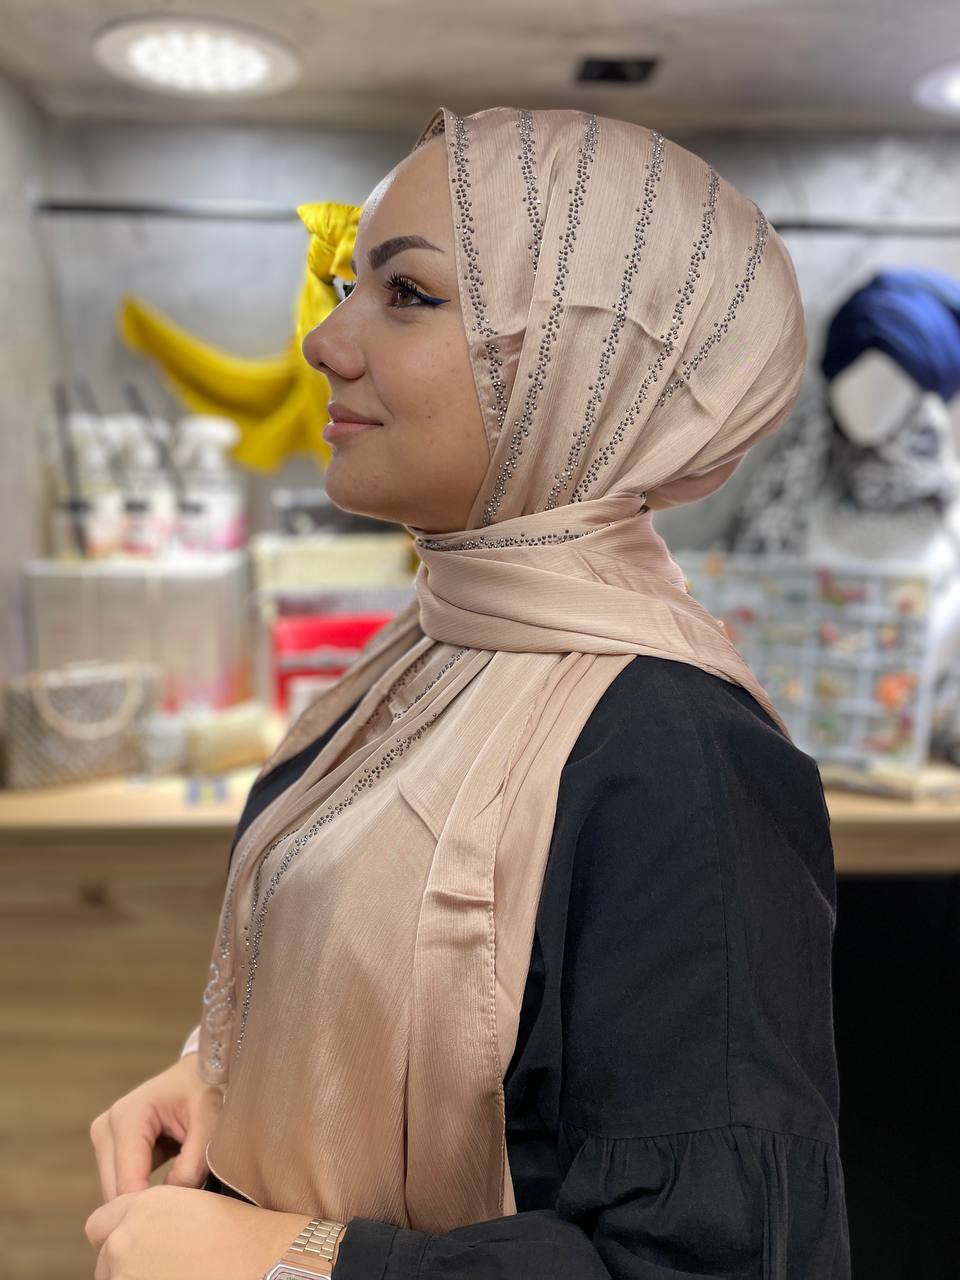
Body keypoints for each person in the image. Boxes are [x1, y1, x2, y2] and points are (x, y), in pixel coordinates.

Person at [86, 105, 850, 1279]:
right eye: (351, 285)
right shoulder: (434, 647)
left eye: (409, 294)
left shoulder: (679, 760)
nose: (325, 341)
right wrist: (230, 1081)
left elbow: (705, 1260)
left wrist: (289, 1259)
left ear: (585, 366)